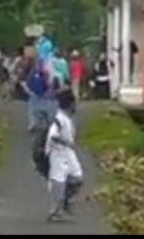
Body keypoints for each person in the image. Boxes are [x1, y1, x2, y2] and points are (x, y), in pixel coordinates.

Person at [45, 90, 85, 222]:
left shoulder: (67, 118)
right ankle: (54, 210)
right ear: (70, 104)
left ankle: (65, 201)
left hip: (68, 153)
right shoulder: (59, 119)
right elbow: (53, 135)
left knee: (77, 178)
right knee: (58, 182)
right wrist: (65, 141)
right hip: (58, 153)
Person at [24, 65, 52, 131]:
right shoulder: (44, 75)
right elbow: (47, 85)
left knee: (33, 110)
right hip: (41, 94)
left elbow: (28, 83)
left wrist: (29, 90)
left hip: (34, 93)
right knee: (42, 109)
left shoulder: (33, 74)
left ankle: (33, 124)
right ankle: (42, 123)